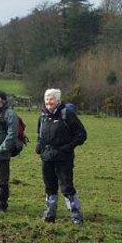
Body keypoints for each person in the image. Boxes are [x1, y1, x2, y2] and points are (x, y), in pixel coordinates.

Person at [35, 88, 87, 224]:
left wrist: (67, 148)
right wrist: (39, 146)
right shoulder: (42, 116)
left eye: (51, 99)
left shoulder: (67, 114)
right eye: (46, 99)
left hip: (64, 158)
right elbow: (40, 135)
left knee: (66, 187)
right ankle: (50, 213)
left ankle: (75, 215)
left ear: (58, 100)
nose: (48, 101)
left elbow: (81, 135)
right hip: (47, 157)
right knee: (50, 187)